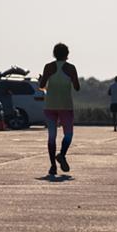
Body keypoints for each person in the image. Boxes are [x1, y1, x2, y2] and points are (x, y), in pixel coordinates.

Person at [39, 43, 80, 176]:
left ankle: (52, 166)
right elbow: (77, 87)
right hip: (66, 106)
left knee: (52, 136)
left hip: (50, 106)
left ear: (54, 53)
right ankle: (62, 154)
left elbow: (42, 85)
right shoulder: (71, 68)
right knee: (68, 134)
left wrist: (44, 81)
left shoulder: (48, 67)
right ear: (67, 54)